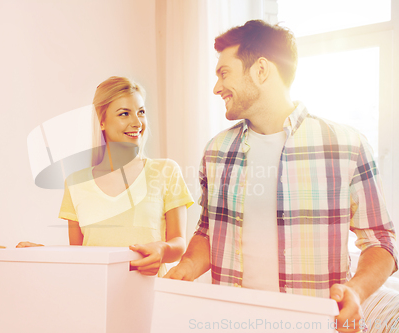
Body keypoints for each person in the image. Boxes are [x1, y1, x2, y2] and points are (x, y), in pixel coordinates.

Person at [164, 20, 398, 333]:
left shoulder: (347, 146)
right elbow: (208, 232)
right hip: (229, 324)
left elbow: (380, 242)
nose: (216, 87)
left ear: (261, 70)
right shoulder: (216, 151)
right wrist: (186, 268)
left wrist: (356, 291)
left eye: (224, 73)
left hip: (314, 326)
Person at [18, 76, 194, 277]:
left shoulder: (166, 171)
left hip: (152, 298)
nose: (137, 122)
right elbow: (77, 256)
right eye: (124, 114)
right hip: (95, 297)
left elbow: (178, 242)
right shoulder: (75, 183)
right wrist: (44, 254)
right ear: (102, 122)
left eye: (141, 112)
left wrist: (162, 250)